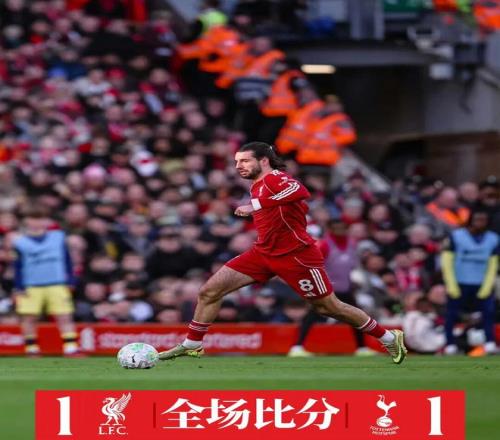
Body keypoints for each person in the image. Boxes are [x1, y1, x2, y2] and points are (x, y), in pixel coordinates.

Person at [159, 142, 407, 364]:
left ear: (263, 160)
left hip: (296, 256)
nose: (239, 166)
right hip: (263, 253)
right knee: (210, 291)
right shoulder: (258, 184)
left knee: (329, 308)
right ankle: (192, 344)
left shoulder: (275, 177)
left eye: (245, 161)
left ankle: (387, 337)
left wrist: (255, 205)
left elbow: (301, 191)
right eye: (237, 162)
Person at [288, 218, 376, 357]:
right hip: (326, 290)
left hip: (345, 289)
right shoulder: (325, 245)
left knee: (356, 316)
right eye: (336, 228)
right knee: (312, 316)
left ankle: (362, 348)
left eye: (343, 228)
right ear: (330, 229)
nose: (340, 231)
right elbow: (314, 265)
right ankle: (297, 347)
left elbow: (352, 266)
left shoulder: (352, 244)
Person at [12, 208, 81, 356]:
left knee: (64, 315)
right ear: (26, 221)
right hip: (31, 285)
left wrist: (71, 280)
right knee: (29, 317)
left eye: (40, 218)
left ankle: (71, 348)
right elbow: (17, 265)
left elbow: (67, 259)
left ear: (47, 221)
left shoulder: (58, 237)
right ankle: (31, 349)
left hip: (57, 283)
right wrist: (18, 286)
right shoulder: (20, 242)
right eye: (33, 218)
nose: (36, 222)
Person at [441, 209, 499, 356]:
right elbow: (447, 261)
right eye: (478, 219)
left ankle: (490, 342)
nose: (480, 223)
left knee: (488, 313)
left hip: (481, 283)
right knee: (451, 314)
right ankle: (450, 344)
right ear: (471, 220)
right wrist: (451, 284)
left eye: (483, 220)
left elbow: (493, 264)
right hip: (459, 282)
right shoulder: (456, 236)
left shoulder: (493, 239)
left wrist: (488, 285)